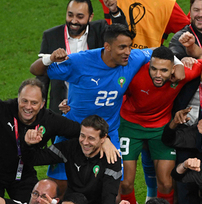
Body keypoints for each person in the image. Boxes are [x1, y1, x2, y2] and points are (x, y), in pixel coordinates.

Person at [29, 23, 153, 194]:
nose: (128, 52)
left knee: (119, 187)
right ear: (107, 46)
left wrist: (178, 63)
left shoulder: (132, 59)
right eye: (122, 47)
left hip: (108, 134)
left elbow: (157, 52)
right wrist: (49, 58)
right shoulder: (80, 62)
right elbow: (36, 70)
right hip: (73, 131)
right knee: (60, 187)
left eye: (130, 46)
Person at [0, 78, 87, 202]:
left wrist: (99, 139)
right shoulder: (1, 109)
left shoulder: (49, 119)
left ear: (42, 104)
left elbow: (79, 131)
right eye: (24, 101)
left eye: (34, 103)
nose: (28, 107)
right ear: (18, 99)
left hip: (22, 173)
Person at [119, 46, 202, 204]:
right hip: (130, 126)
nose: (158, 75)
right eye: (154, 69)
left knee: (166, 183)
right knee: (125, 183)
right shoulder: (135, 74)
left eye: (164, 70)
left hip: (160, 129)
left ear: (173, 69)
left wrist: (187, 60)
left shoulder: (182, 74)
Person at [23, 114, 122, 204]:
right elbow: (35, 159)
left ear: (103, 138)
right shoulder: (71, 147)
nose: (85, 142)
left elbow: (109, 195)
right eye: (82, 136)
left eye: (91, 138)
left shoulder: (111, 158)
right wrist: (29, 144)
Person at [35, 0, 111, 112]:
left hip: (95, 107)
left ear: (90, 17)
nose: (74, 21)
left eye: (80, 17)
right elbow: (42, 79)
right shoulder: (51, 36)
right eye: (70, 15)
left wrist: (114, 11)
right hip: (62, 109)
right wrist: (40, 113)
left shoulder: (100, 30)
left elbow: (122, 36)